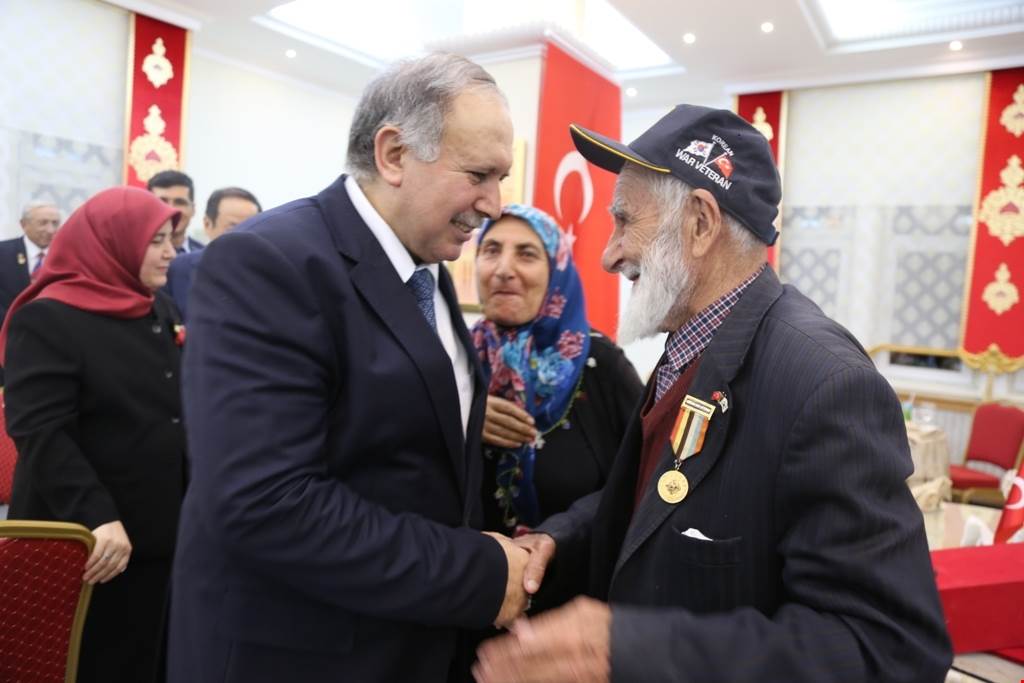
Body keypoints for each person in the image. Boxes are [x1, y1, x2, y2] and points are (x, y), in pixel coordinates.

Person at [474, 105, 953, 682]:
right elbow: (655, 498)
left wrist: (632, 649)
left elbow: (889, 648)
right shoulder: (692, 343)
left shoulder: (826, 385)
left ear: (700, 224)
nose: (609, 254)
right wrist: (560, 538)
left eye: (625, 221)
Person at [167, 53, 530, 683]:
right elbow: (265, 501)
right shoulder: (268, 262)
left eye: (500, 179)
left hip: (405, 644)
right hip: (296, 655)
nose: (494, 204)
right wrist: (474, 571)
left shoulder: (428, 271)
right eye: (478, 174)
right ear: (393, 154)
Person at [2, 186, 186, 683]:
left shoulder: (158, 308)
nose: (170, 252)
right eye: (155, 241)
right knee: (87, 659)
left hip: (160, 522)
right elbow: (41, 430)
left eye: (170, 239)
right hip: (87, 535)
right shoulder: (48, 318)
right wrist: (97, 516)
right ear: (112, 242)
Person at [472, 204, 642, 535]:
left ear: (556, 268)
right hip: (471, 566)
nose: (504, 269)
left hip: (577, 565)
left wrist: (560, 535)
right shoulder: (456, 358)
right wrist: (463, 416)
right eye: (491, 250)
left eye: (526, 254)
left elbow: (642, 478)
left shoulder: (600, 364)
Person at [164, 187, 261, 318]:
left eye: (252, 228)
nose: (243, 236)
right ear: (207, 224)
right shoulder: (178, 269)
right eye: (233, 228)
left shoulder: (267, 275)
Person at [0, 201, 62, 325]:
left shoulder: (65, 256)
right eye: (43, 223)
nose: (50, 230)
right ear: (24, 224)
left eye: (55, 223)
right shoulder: (3, 252)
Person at [148, 169, 203, 253]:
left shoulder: (207, 256)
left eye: (180, 202)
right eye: (162, 201)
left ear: (193, 209)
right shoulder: (133, 255)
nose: (171, 209)